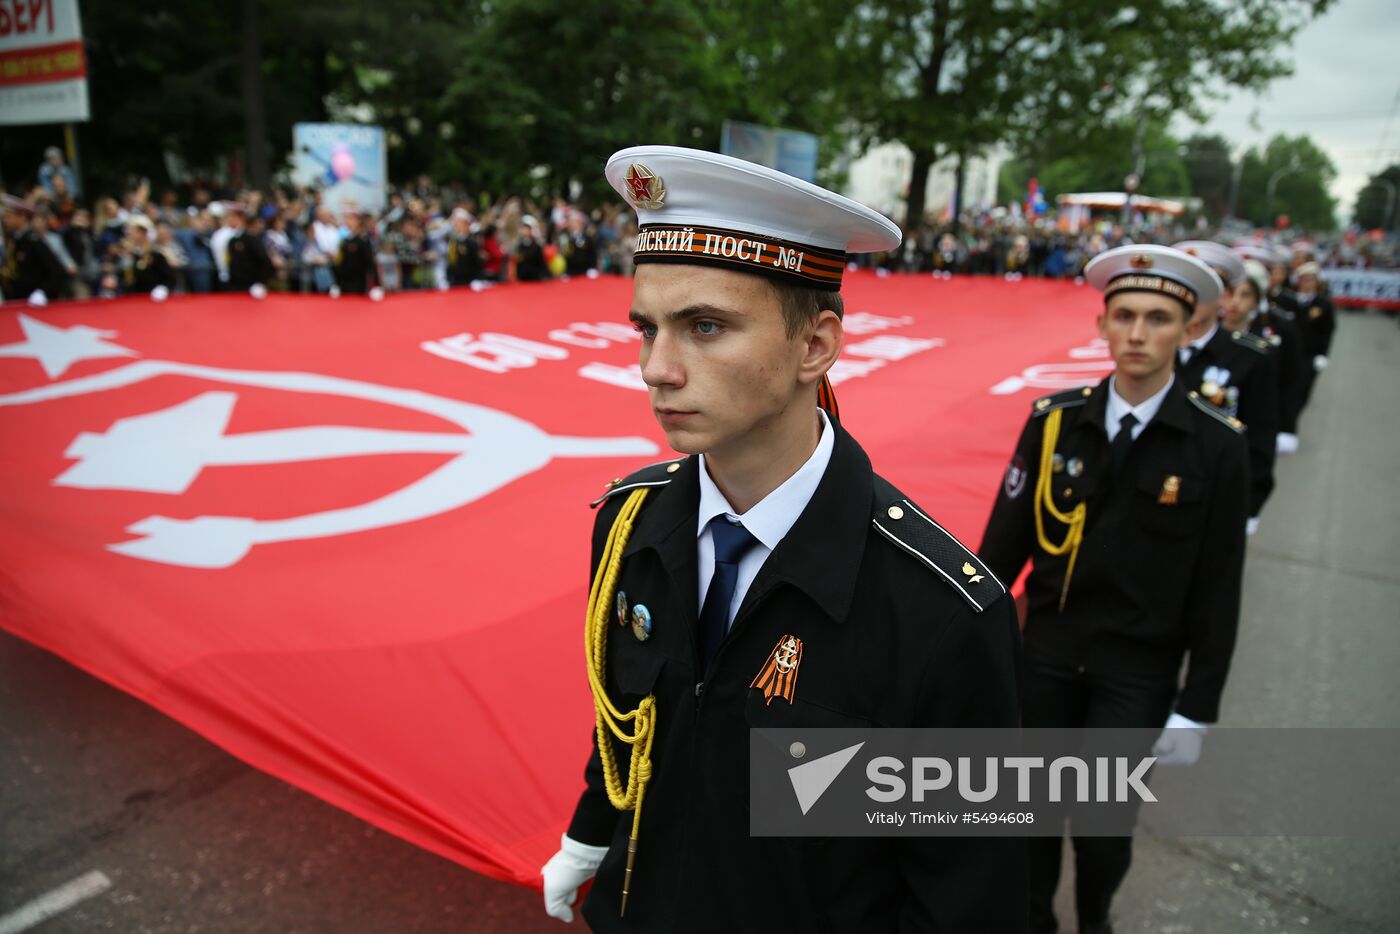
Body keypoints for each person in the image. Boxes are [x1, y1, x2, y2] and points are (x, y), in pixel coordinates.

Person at [540, 146, 1025, 932]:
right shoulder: (629, 524)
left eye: (705, 326)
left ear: (815, 346)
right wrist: (593, 834)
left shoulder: (938, 612)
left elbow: (965, 893)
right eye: (647, 327)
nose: (656, 369)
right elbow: (631, 721)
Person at [980, 244, 1250, 934]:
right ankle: (1034, 920)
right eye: (1123, 315)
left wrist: (1197, 707)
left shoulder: (1217, 446)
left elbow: (1220, 587)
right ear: (1101, 325)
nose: (1136, 333)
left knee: (1101, 829)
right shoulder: (1055, 421)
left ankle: (1094, 916)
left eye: (1157, 318)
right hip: (1046, 655)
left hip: (1137, 670)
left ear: (1188, 331)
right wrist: (966, 649)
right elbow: (999, 552)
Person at [1171, 240, 1277, 530]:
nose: (1191, 298)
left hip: (1213, 499)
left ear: (1224, 297)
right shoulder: (1154, 347)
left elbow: (1260, 439)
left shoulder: (1250, 357)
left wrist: (1248, 504)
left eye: (1204, 288)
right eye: (1185, 286)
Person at [1232, 248, 1305, 454]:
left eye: (1245, 294)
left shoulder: (1282, 325)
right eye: (1231, 293)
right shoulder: (1218, 326)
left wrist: (1287, 426)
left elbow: (1290, 381)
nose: (1234, 302)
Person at [2, 194, 68, 303]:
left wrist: (43, 292)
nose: (5, 220)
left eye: (9, 216)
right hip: (17, 303)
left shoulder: (33, 241)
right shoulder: (12, 241)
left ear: (22, 216)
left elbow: (57, 272)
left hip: (36, 305)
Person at [1290, 261, 1335, 416]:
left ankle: (1293, 419)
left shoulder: (1323, 304)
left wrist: (1323, 354)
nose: (1306, 283)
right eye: (1303, 279)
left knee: (1302, 390)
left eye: (1310, 279)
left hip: (1309, 356)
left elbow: (1327, 330)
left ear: (1317, 282)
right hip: (1290, 354)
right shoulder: (1290, 300)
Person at [334, 209, 376, 295]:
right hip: (344, 281)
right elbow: (340, 262)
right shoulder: (345, 240)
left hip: (358, 281)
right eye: (347, 219)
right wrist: (337, 283)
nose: (348, 222)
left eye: (351, 219)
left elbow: (369, 262)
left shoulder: (363, 240)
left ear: (358, 221)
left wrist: (376, 285)